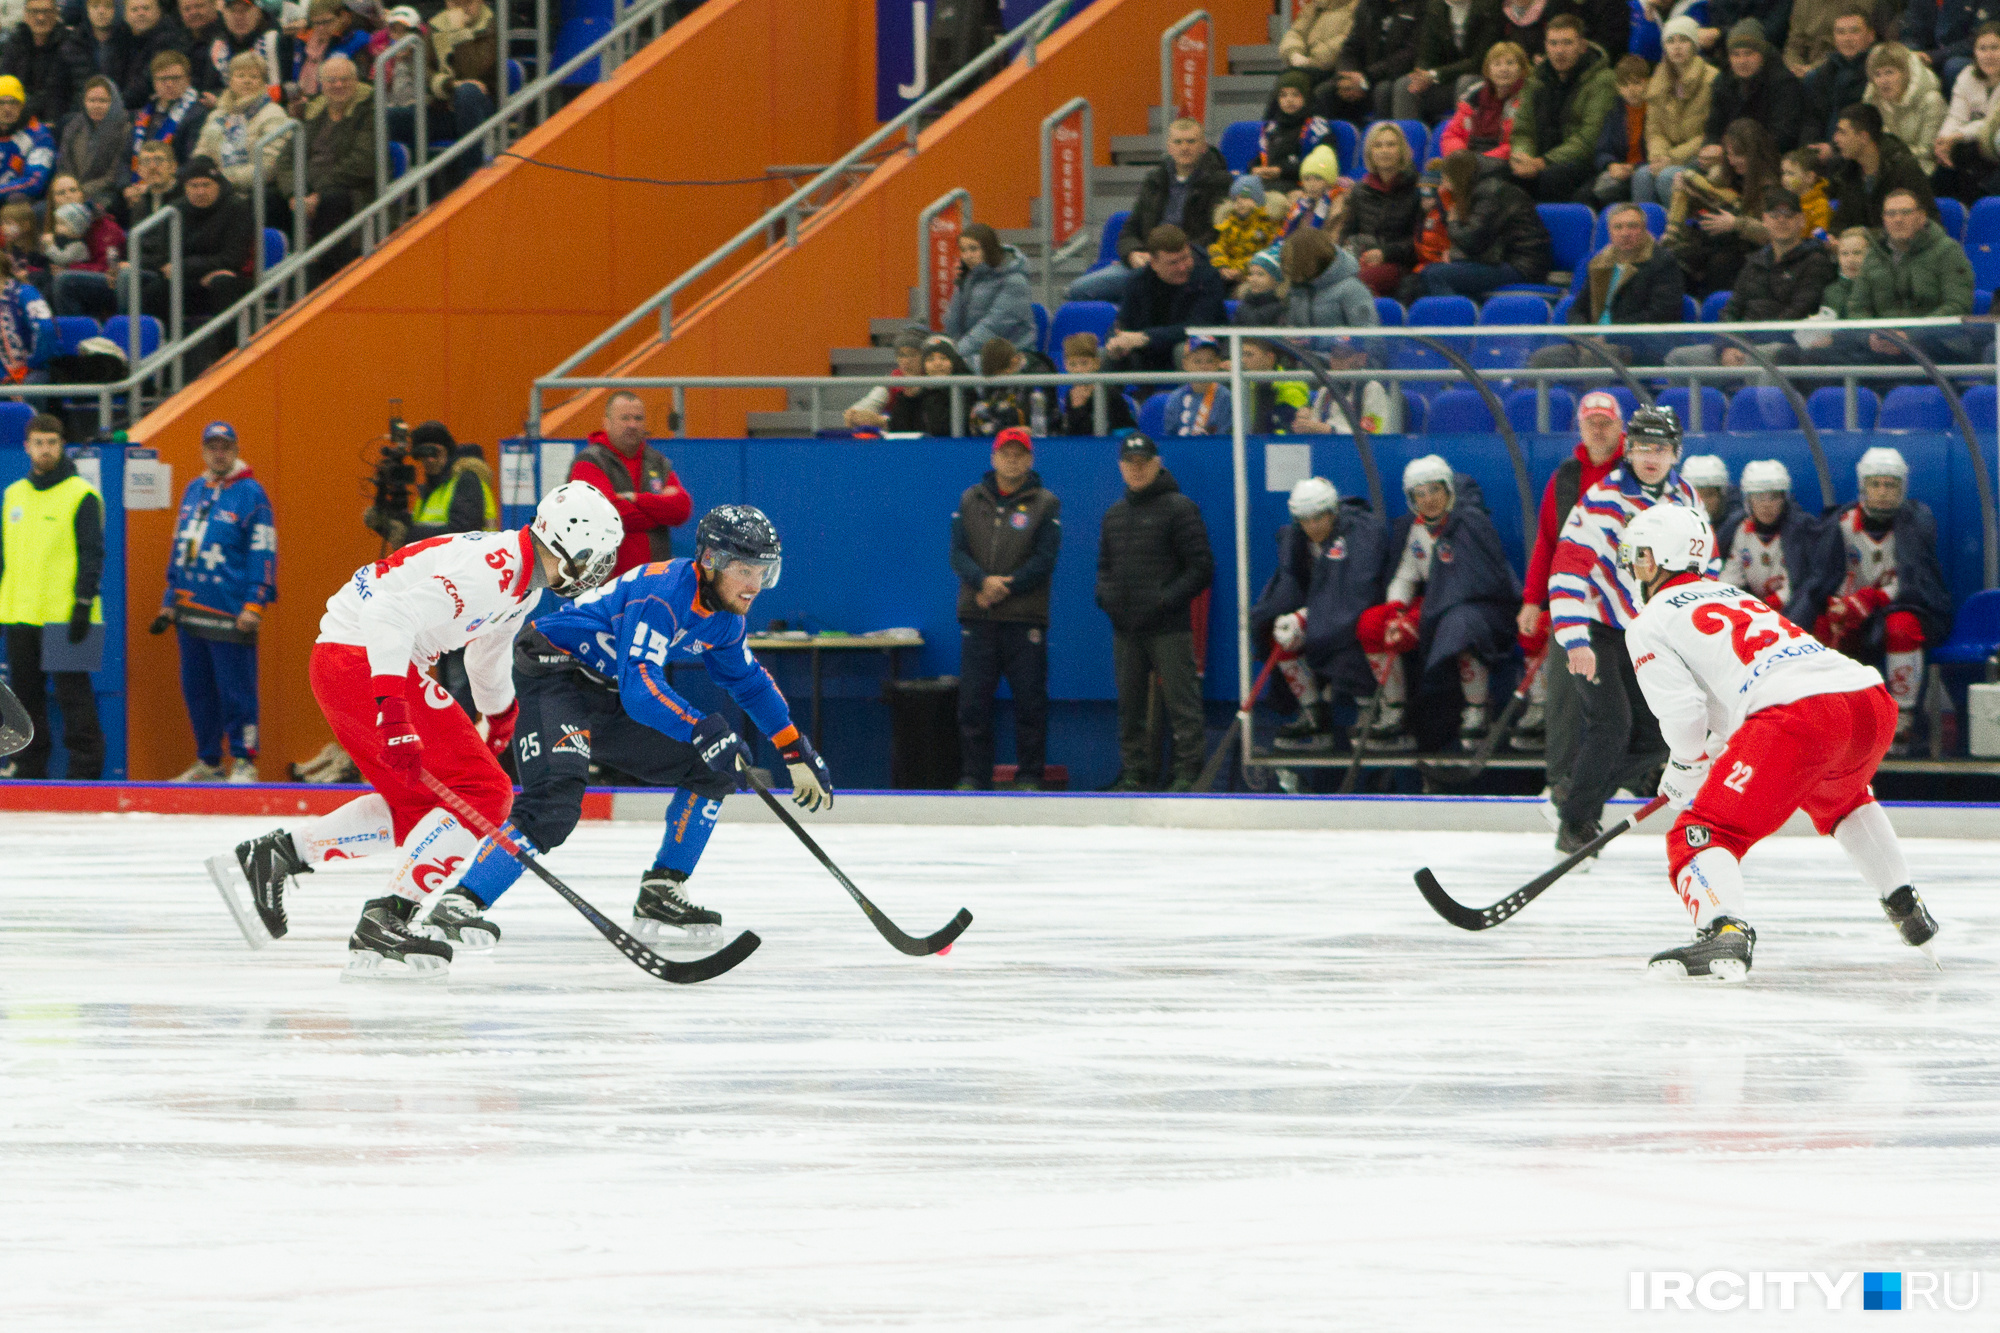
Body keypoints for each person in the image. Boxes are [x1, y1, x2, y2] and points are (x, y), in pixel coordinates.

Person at [216, 482, 625, 976]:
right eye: (595, 558)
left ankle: (279, 855)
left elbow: (486, 655)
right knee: (486, 792)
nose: (598, 571)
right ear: (562, 542)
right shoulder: (492, 572)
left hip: (351, 660)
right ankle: (388, 916)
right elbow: (388, 613)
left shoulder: (521, 585)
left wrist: (499, 717)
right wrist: (393, 711)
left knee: (425, 810)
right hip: (362, 659)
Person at [442, 505, 829, 950]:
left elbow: (749, 682)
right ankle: (462, 901)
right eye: (745, 569)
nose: (755, 585)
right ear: (709, 561)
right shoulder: (663, 593)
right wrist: (700, 727)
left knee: (711, 771)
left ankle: (662, 888)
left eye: (764, 571)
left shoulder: (725, 617)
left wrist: (793, 748)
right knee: (555, 802)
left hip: (609, 688)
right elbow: (642, 689)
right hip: (554, 673)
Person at [1616, 502, 1940, 981]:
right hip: (1866, 700)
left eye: (1640, 556)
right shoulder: (1729, 593)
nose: (1633, 568)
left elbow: (1685, 712)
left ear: (1663, 558)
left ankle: (1723, 932)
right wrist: (1712, 752)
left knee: (1699, 833)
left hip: (1799, 715)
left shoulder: (1650, 621)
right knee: (1843, 797)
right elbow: (1735, 696)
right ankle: (1905, 905)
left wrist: (1685, 767)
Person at [1546, 404, 1704, 856]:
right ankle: (1575, 823)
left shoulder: (1687, 499)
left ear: (1676, 453)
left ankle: (1574, 797)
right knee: (1611, 725)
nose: (1650, 456)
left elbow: (1703, 570)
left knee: (1658, 737)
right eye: (1641, 447)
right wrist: (1575, 639)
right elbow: (1566, 570)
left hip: (1651, 634)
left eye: (1661, 447)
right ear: (1627, 449)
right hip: (1598, 628)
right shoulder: (1601, 500)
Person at [1353, 455, 1521, 753]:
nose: (1428, 499)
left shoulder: (1470, 522)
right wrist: (1396, 612)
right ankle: (1394, 708)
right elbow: (1405, 576)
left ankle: (1477, 708)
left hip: (1478, 607)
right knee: (1371, 624)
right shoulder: (1414, 530)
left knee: (1462, 625)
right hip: (1433, 606)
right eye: (1420, 493)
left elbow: (1485, 582)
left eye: (1434, 490)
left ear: (1449, 491)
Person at [1794, 447, 1953, 754]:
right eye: (1875, 484)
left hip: (1901, 610)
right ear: (1862, 487)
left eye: (1890, 485)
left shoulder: (1917, 525)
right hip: (1853, 613)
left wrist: (1875, 598)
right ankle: (1833, 718)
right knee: (1821, 626)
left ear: (1902, 489)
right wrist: (1840, 604)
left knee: (1901, 626)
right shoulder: (1839, 524)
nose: (1882, 492)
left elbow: (1919, 585)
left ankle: (1902, 718)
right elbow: (1823, 578)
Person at [150, 419, 274, 783]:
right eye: (212, 447)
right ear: (204, 451)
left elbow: (264, 550)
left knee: (237, 691)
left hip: (231, 612)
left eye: (225, 446)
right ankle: (209, 762)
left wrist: (255, 603)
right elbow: (180, 547)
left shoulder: (253, 493)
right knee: (198, 692)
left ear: (235, 450)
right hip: (190, 612)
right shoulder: (193, 489)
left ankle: (244, 759)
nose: (219, 453)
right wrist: (169, 598)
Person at [1097, 432, 1213, 791]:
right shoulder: (1114, 515)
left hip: (1169, 628)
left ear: (1157, 463)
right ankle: (1135, 772)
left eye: (1144, 462)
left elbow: (1201, 567)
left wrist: (1165, 600)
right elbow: (1104, 567)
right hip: (1126, 629)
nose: (1137, 469)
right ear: (1120, 467)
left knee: (1182, 704)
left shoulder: (1180, 508)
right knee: (1129, 707)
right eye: (1130, 463)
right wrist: (1105, 597)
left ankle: (1188, 773)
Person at [1516, 389, 1628, 758]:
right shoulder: (1565, 478)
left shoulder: (1637, 472)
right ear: (1579, 427)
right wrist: (1533, 600)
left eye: (1605, 423)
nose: (1598, 430)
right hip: (1575, 602)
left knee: (1629, 697)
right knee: (1564, 695)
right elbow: (1547, 542)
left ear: (1619, 426)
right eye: (1591, 423)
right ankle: (1559, 778)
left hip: (1627, 603)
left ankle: (1630, 778)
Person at [951, 427, 1059, 791]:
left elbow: (1044, 560)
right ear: (993, 457)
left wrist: (1003, 587)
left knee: (1030, 702)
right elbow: (958, 554)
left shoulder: (1046, 503)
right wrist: (983, 582)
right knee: (973, 704)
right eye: (1006, 453)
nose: (1012, 460)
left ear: (1030, 460)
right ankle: (973, 775)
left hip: (1024, 617)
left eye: (1020, 454)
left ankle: (1030, 776)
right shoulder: (970, 499)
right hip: (977, 616)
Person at [0, 413, 103, 780]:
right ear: (27, 447)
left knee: (75, 700)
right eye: (39, 443)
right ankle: (29, 769)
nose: (45, 450)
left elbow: (93, 555)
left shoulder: (82, 495)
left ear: (62, 446)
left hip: (65, 617)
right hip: (19, 616)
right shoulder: (13, 494)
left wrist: (83, 603)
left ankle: (85, 774)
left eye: (52, 443)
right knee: (24, 704)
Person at [1252, 477, 1379, 751]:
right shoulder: (1296, 540)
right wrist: (1280, 619)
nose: (1312, 526)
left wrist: (1304, 617)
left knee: (1355, 636)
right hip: (1318, 619)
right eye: (1305, 520)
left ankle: (1371, 710)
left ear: (1333, 511)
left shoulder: (1359, 534)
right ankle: (1314, 713)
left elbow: (1353, 592)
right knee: (1279, 635)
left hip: (1351, 617)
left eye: (1318, 518)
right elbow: (1288, 586)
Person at [1665, 187, 1836, 372]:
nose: (1781, 221)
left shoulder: (1815, 262)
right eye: (1774, 215)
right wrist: (1726, 347)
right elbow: (1732, 310)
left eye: (1788, 215)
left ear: (1801, 220)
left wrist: (1745, 347)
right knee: (1678, 359)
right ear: (1765, 220)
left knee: (1763, 359)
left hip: (1784, 346)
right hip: (1742, 346)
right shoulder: (1755, 262)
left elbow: (1796, 315)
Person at [1066, 119, 1231, 304]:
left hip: (1187, 264)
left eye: (1191, 141)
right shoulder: (1155, 180)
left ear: (1203, 146)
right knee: (1079, 290)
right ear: (1169, 147)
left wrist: (1167, 259)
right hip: (1146, 262)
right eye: (1178, 142)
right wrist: (1133, 253)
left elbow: (1214, 236)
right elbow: (1130, 229)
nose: (1184, 148)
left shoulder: (1221, 182)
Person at [1529, 202, 1683, 369]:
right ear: (1610, 232)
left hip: (1639, 345)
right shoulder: (1600, 262)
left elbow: (1660, 313)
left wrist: (1608, 336)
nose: (1625, 233)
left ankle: (1597, 396)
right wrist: (1584, 336)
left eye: (1632, 226)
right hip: (1594, 342)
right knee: (1543, 358)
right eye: (1618, 227)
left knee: (1592, 357)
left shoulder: (1662, 262)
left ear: (1644, 229)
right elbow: (1577, 310)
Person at [1842, 186, 1976, 362]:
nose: (1898, 219)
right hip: (1882, 345)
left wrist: (1911, 335)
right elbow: (1857, 308)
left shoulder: (1948, 251)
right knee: (1820, 357)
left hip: (1936, 344)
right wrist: (1870, 337)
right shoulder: (1874, 255)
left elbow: (1958, 305)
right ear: (1883, 219)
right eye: (1891, 214)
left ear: (1921, 217)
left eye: (1905, 212)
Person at [568, 389, 693, 575]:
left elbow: (682, 509)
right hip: (604, 586)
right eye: (625, 418)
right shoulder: (589, 462)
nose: (632, 425)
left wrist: (635, 499)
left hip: (654, 582)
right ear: (606, 423)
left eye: (638, 418)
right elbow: (608, 515)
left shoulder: (657, 462)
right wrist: (659, 513)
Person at [1667, 116, 1782, 296]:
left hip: (1749, 250)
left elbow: (1772, 233)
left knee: (1720, 263)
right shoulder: (1725, 176)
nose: (1733, 160)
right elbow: (1706, 210)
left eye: (1739, 154)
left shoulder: (1771, 186)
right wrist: (1692, 195)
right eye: (1729, 154)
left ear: (1754, 153)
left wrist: (1735, 223)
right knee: (1674, 256)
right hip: (1716, 241)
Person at [1508, 14, 1616, 203]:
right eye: (1553, 43)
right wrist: (1522, 156)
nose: (1559, 51)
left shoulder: (1602, 80)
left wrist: (1543, 162)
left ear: (1582, 46)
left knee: (1552, 177)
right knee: (1501, 176)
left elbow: (1589, 139)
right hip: (1539, 161)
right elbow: (1523, 130)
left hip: (1583, 163)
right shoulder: (1537, 80)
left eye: (1567, 43)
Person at [1103, 224, 1228, 382]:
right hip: (1149, 355)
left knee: (1184, 350)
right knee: (1110, 353)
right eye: (1173, 263)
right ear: (1154, 263)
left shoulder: (1207, 277)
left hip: (1197, 347)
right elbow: (1123, 323)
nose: (1183, 267)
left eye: (1186, 258)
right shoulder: (1137, 281)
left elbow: (1198, 326)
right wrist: (1116, 341)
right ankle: (1106, 406)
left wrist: (1147, 337)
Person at [1423, 148, 1552, 297]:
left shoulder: (1491, 192)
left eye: (1446, 179)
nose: (1444, 186)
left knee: (1436, 275)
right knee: (1427, 277)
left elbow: (1473, 240)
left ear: (1458, 176)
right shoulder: (1483, 188)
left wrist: (1452, 222)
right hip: (1502, 259)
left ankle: (1461, 319)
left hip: (1522, 265)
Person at [295, 52, 373, 286]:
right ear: (321, 85)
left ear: (356, 81)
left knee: (331, 199)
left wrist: (317, 191)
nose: (338, 85)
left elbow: (362, 162)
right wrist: (293, 193)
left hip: (354, 190)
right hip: (310, 188)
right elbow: (287, 159)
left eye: (345, 79)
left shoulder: (369, 111)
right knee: (269, 200)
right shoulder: (313, 113)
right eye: (331, 80)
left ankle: (328, 277)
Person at [1634, 17, 1715, 206]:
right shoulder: (1657, 81)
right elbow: (1654, 131)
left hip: (1700, 157)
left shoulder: (1712, 79)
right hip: (1667, 156)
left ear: (1695, 45)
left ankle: (1679, 232)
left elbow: (1708, 134)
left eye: (1683, 40)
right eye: (1671, 41)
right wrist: (1658, 157)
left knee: (1668, 177)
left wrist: (1671, 159)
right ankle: (1648, 233)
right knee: (1642, 175)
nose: (1677, 47)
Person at [1720, 458, 1818, 611]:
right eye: (1758, 497)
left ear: (1784, 499)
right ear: (1748, 500)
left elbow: (1795, 585)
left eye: (1773, 497)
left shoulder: (1798, 533)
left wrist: (1761, 607)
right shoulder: (1742, 531)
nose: (1766, 504)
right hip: (1758, 608)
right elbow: (1732, 576)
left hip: (1789, 612)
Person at [1337, 121, 1420, 296]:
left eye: (1391, 145)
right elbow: (1346, 233)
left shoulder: (1416, 189)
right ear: (1370, 152)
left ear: (1401, 150)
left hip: (1398, 263)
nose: (1384, 150)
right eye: (1378, 145)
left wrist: (1385, 254)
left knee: (1354, 284)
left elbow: (1418, 242)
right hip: (1361, 257)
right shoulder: (1360, 190)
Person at [1705, 21, 1805, 162]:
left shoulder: (1783, 83)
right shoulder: (1722, 82)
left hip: (1768, 160)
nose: (1742, 61)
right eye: (1736, 55)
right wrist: (1711, 146)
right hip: (1729, 156)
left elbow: (1783, 136)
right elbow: (1714, 127)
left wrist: (1742, 153)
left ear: (1762, 54)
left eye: (1748, 54)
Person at [1828, 107, 1938, 230]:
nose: (1835, 139)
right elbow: (1842, 221)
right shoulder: (1849, 173)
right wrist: (1834, 238)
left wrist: (1868, 239)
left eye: (1842, 132)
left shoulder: (1904, 168)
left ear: (1864, 137)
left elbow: (1930, 221)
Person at [193, 51, 289, 191]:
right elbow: (201, 154)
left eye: (254, 76)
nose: (247, 81)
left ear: (263, 83)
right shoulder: (217, 115)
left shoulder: (273, 114)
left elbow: (269, 167)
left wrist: (223, 181)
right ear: (230, 81)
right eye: (241, 75)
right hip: (214, 189)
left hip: (254, 193)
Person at [1318, 0, 1425, 123]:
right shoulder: (1367, 5)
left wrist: (1365, 77)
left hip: (1392, 75)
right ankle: (1327, 140)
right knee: (1325, 91)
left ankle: (1382, 139)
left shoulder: (1419, 6)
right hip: (1362, 77)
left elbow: (1409, 54)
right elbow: (1350, 48)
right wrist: (1346, 75)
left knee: (1383, 91)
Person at [1393, 0, 1499, 123]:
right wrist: (1421, 75)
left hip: (1480, 79)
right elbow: (1427, 53)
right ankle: (1406, 139)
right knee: (1405, 85)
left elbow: (1479, 61)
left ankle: (1458, 137)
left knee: (1465, 82)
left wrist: (1434, 74)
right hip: (1445, 80)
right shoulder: (1435, 7)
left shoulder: (1489, 6)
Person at [944, 222, 1034, 364]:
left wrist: (956, 353)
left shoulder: (1015, 281)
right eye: (963, 250)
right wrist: (959, 287)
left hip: (1011, 356)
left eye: (973, 249)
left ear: (989, 249)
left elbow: (994, 327)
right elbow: (952, 327)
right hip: (973, 353)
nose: (967, 256)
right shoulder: (969, 279)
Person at [1932, 22, 2000, 200]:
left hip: (1995, 145)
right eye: (1982, 48)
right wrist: (1944, 139)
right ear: (1974, 53)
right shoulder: (1967, 76)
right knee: (1947, 161)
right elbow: (1956, 116)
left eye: (1995, 48)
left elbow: (1992, 123)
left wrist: (1958, 136)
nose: (1988, 55)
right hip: (1973, 143)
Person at [1434, 41, 1529, 164]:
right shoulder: (1474, 96)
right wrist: (1462, 158)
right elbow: (1452, 135)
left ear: (1522, 69)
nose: (1503, 69)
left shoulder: (1527, 98)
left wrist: (1479, 162)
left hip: (1505, 164)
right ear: (1488, 70)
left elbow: (1517, 144)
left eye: (1510, 63)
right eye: (1497, 64)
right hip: (1468, 161)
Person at [1279, 224, 1379, 339]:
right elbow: (1292, 327)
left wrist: (1314, 342)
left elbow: (1369, 339)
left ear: (1309, 261)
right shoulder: (1298, 290)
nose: (1288, 270)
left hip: (1339, 356)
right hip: (1301, 355)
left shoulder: (1351, 289)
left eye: (1293, 264)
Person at [1800, 6, 1877, 152]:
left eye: (1854, 31)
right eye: (1841, 32)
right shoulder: (1824, 72)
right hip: (1823, 152)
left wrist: (1833, 150)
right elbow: (1813, 119)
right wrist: (1809, 150)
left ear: (1871, 35)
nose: (1847, 39)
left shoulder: (1877, 72)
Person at [1583, 54, 1655, 207]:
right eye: (1624, 85)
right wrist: (1612, 165)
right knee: (1585, 194)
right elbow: (1602, 150)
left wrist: (1635, 167)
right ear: (1617, 87)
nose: (1631, 90)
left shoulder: (1656, 110)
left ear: (1649, 82)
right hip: (1620, 171)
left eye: (1636, 83)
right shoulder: (1614, 112)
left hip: (1646, 171)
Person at [1864, 42, 1947, 169]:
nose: (1883, 81)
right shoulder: (1872, 100)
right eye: (1877, 74)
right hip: (1884, 166)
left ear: (1905, 74)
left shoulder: (1931, 101)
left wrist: (1888, 152)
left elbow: (1928, 152)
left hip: (1922, 170)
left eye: (1889, 72)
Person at [2, 0, 83, 127]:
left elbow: (80, 89)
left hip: (59, 124)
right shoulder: (14, 45)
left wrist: (62, 122)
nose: (40, 17)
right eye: (35, 11)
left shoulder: (71, 44)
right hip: (18, 124)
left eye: (46, 11)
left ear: (56, 14)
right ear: (25, 15)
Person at [54, 74, 126, 211]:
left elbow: (114, 175)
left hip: (105, 194)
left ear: (114, 102)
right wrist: (70, 191)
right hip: (70, 191)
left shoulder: (125, 129)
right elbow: (63, 163)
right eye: (91, 100)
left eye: (103, 101)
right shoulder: (73, 125)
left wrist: (80, 191)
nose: (96, 106)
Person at [1254, 70, 1331, 192]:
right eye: (1283, 95)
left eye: (1295, 95)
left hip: (1302, 188)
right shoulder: (1271, 128)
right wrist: (1255, 169)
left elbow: (1322, 166)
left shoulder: (1317, 128)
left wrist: (1281, 171)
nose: (1289, 100)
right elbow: (1259, 158)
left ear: (1306, 97)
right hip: (1268, 185)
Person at [130, 51, 207, 172]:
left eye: (175, 78)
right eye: (163, 79)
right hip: (138, 182)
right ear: (154, 83)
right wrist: (125, 186)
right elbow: (125, 160)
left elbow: (191, 161)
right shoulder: (142, 113)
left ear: (187, 80)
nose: (169, 84)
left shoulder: (197, 114)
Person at [1052, 331, 1135, 435]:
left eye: (1084, 363)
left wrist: (1079, 408)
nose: (1078, 369)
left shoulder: (1110, 395)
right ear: (1065, 365)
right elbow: (1073, 436)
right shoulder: (1070, 395)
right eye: (1072, 364)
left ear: (1096, 363)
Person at [843, 326, 926, 431]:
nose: (906, 361)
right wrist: (854, 414)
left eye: (912, 355)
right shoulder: (892, 382)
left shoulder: (936, 381)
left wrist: (882, 421)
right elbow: (868, 404)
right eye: (901, 355)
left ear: (925, 356)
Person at [888, 334, 971, 435]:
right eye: (930, 359)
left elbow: (944, 428)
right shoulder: (919, 393)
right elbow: (898, 430)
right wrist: (908, 399)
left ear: (954, 362)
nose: (937, 364)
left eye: (943, 358)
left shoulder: (966, 390)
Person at [1208, 173, 1280, 284]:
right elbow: (1219, 247)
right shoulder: (1229, 224)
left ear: (1258, 201)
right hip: (1228, 274)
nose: (1240, 202)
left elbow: (1267, 251)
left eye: (1245, 198)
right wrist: (1223, 266)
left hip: (1253, 277)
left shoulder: (1266, 224)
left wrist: (1241, 269)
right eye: (1236, 200)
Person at [118, 0, 188, 113]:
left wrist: (117, 103)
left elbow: (147, 82)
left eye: (146, 8)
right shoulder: (123, 39)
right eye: (134, 10)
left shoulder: (168, 40)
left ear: (158, 12)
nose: (141, 13)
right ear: (125, 16)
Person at [1158, 335, 1231, 436]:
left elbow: (1225, 436)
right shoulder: (1176, 397)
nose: (1204, 366)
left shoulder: (1226, 397)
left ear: (1218, 363)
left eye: (1210, 361)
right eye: (1197, 361)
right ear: (1185, 364)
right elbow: (1169, 435)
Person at [1279, 0, 1360, 85]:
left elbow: (1347, 40)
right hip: (1305, 65)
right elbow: (1296, 33)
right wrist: (1294, 53)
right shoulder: (1316, 6)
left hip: (1338, 69)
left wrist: (1311, 60)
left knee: (1293, 80)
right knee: (1288, 81)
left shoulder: (1357, 7)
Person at [0, 73, 54, 202]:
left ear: (23, 105)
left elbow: (34, 182)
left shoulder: (39, 135)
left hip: (20, 204)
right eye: (1, 102)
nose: (7, 108)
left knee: (17, 200)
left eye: (14, 103)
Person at [0, 248, 52, 381]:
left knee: (32, 382)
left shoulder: (25, 293)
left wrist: (30, 365)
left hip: (38, 369)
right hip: (6, 376)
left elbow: (46, 330)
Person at [1680, 454, 1742, 558]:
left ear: (1722, 496)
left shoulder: (1737, 527)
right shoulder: (1675, 523)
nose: (1702, 502)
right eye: (1696, 495)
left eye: (1709, 494)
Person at [209, 0, 281, 89]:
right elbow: (210, 88)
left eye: (245, 10)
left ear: (258, 12)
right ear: (224, 14)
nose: (239, 17)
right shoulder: (218, 46)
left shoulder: (275, 42)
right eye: (233, 10)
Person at [1279, 142, 1344, 236]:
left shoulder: (1338, 204)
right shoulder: (1301, 203)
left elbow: (1333, 240)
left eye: (1318, 178)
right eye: (1307, 179)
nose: (1311, 184)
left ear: (1329, 181)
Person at [1778, 146, 1834, 232]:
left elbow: (1819, 239)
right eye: (1784, 173)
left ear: (1809, 177)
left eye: (1791, 173)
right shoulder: (1784, 201)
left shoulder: (1821, 205)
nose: (1785, 178)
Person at [177, 0, 226, 96]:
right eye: (187, 9)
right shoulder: (178, 40)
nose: (193, 12)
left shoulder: (227, 36)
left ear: (214, 5)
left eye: (199, 6)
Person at [1231, 248, 1285, 326]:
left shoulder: (1282, 309)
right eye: (1251, 274)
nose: (1253, 279)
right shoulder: (1243, 306)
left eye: (1260, 274)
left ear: (1275, 279)